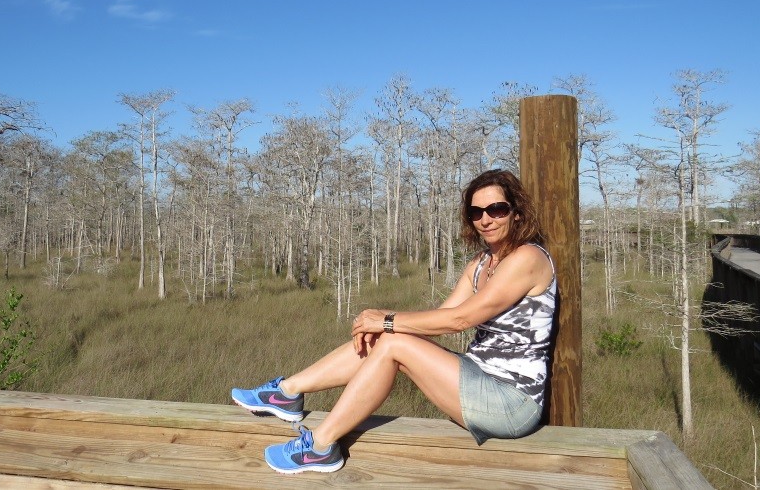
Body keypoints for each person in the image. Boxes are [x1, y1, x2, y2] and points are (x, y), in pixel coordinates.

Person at [231, 169, 557, 474]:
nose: (485, 219)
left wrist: (386, 320)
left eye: (496, 209)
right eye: (476, 212)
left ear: (516, 211)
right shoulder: (482, 262)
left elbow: (460, 319)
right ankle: (289, 392)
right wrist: (383, 324)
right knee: (387, 338)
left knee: (392, 338)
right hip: (477, 378)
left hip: (512, 402)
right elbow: (444, 315)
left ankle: (320, 446)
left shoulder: (527, 258)